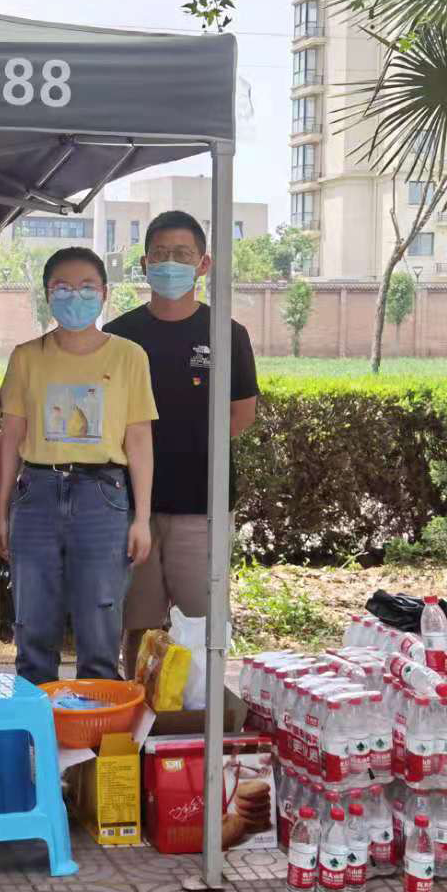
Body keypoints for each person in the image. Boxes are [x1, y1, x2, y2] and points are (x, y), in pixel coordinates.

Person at [105, 210, 258, 678]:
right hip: (131, 507)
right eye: (160, 254)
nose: (170, 263)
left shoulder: (227, 334)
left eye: (182, 254)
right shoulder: (119, 335)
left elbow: (242, 414)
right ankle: (139, 709)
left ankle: (197, 711)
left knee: (202, 622)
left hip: (202, 505)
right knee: (138, 621)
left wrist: (189, 447)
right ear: (144, 263)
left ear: (203, 264)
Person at [0, 247, 156, 684]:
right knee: (32, 630)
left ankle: (94, 730)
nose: (75, 296)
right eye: (62, 287)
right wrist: (1, 512)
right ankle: (37, 726)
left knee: (100, 633)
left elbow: (139, 439)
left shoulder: (129, 356)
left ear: (104, 293)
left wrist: (142, 518)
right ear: (47, 294)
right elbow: (10, 440)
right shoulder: (27, 356)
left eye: (87, 287)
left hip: (102, 497)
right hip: (36, 495)